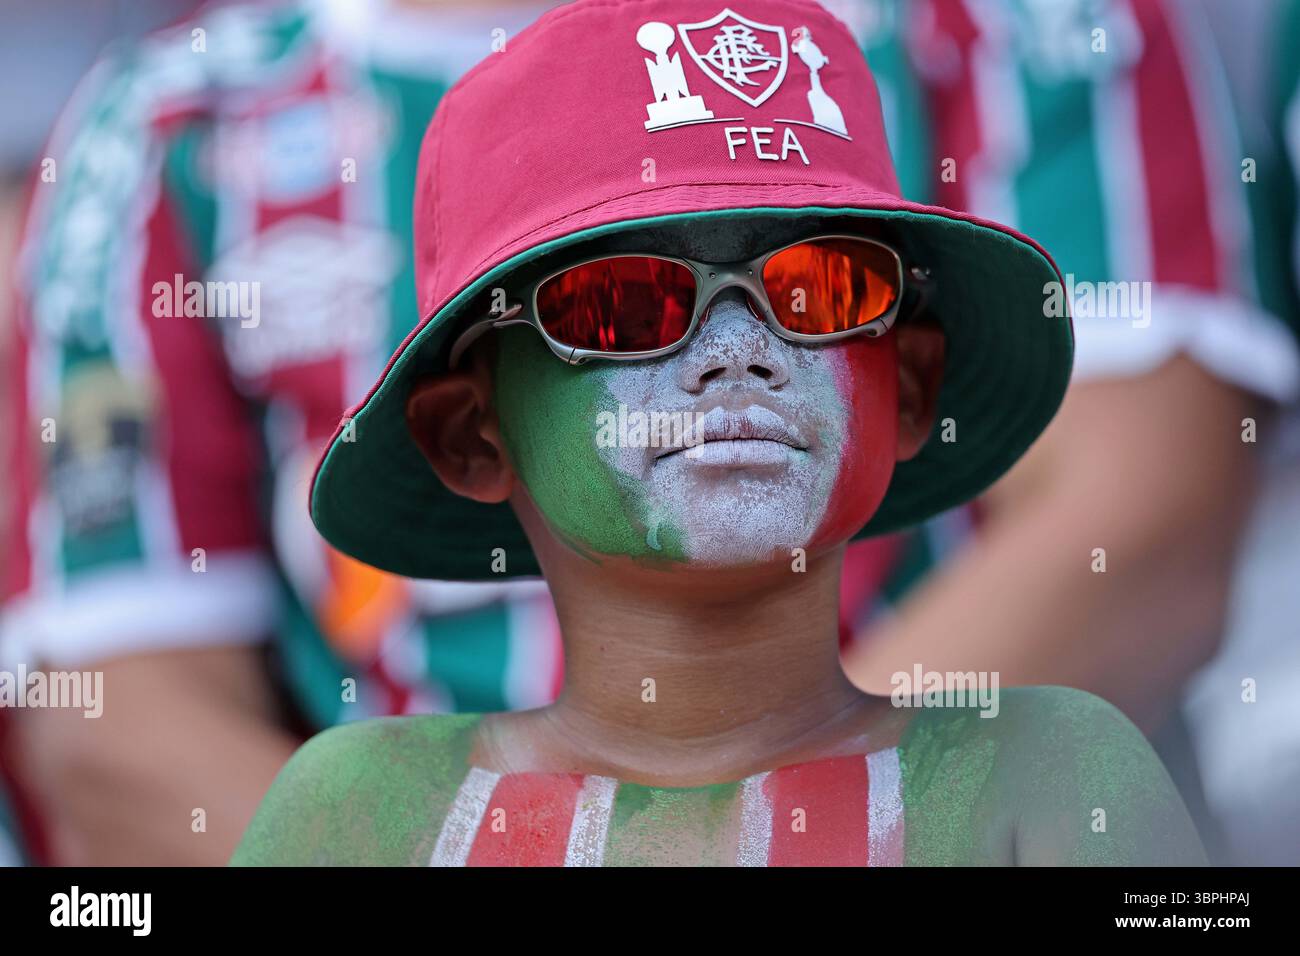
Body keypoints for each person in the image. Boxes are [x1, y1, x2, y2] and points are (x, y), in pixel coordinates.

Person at [233, 0, 1203, 866]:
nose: (737, 351)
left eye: (822, 288)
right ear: (470, 437)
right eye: (619, 303)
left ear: (909, 388)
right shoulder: (358, 810)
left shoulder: (1052, 770)